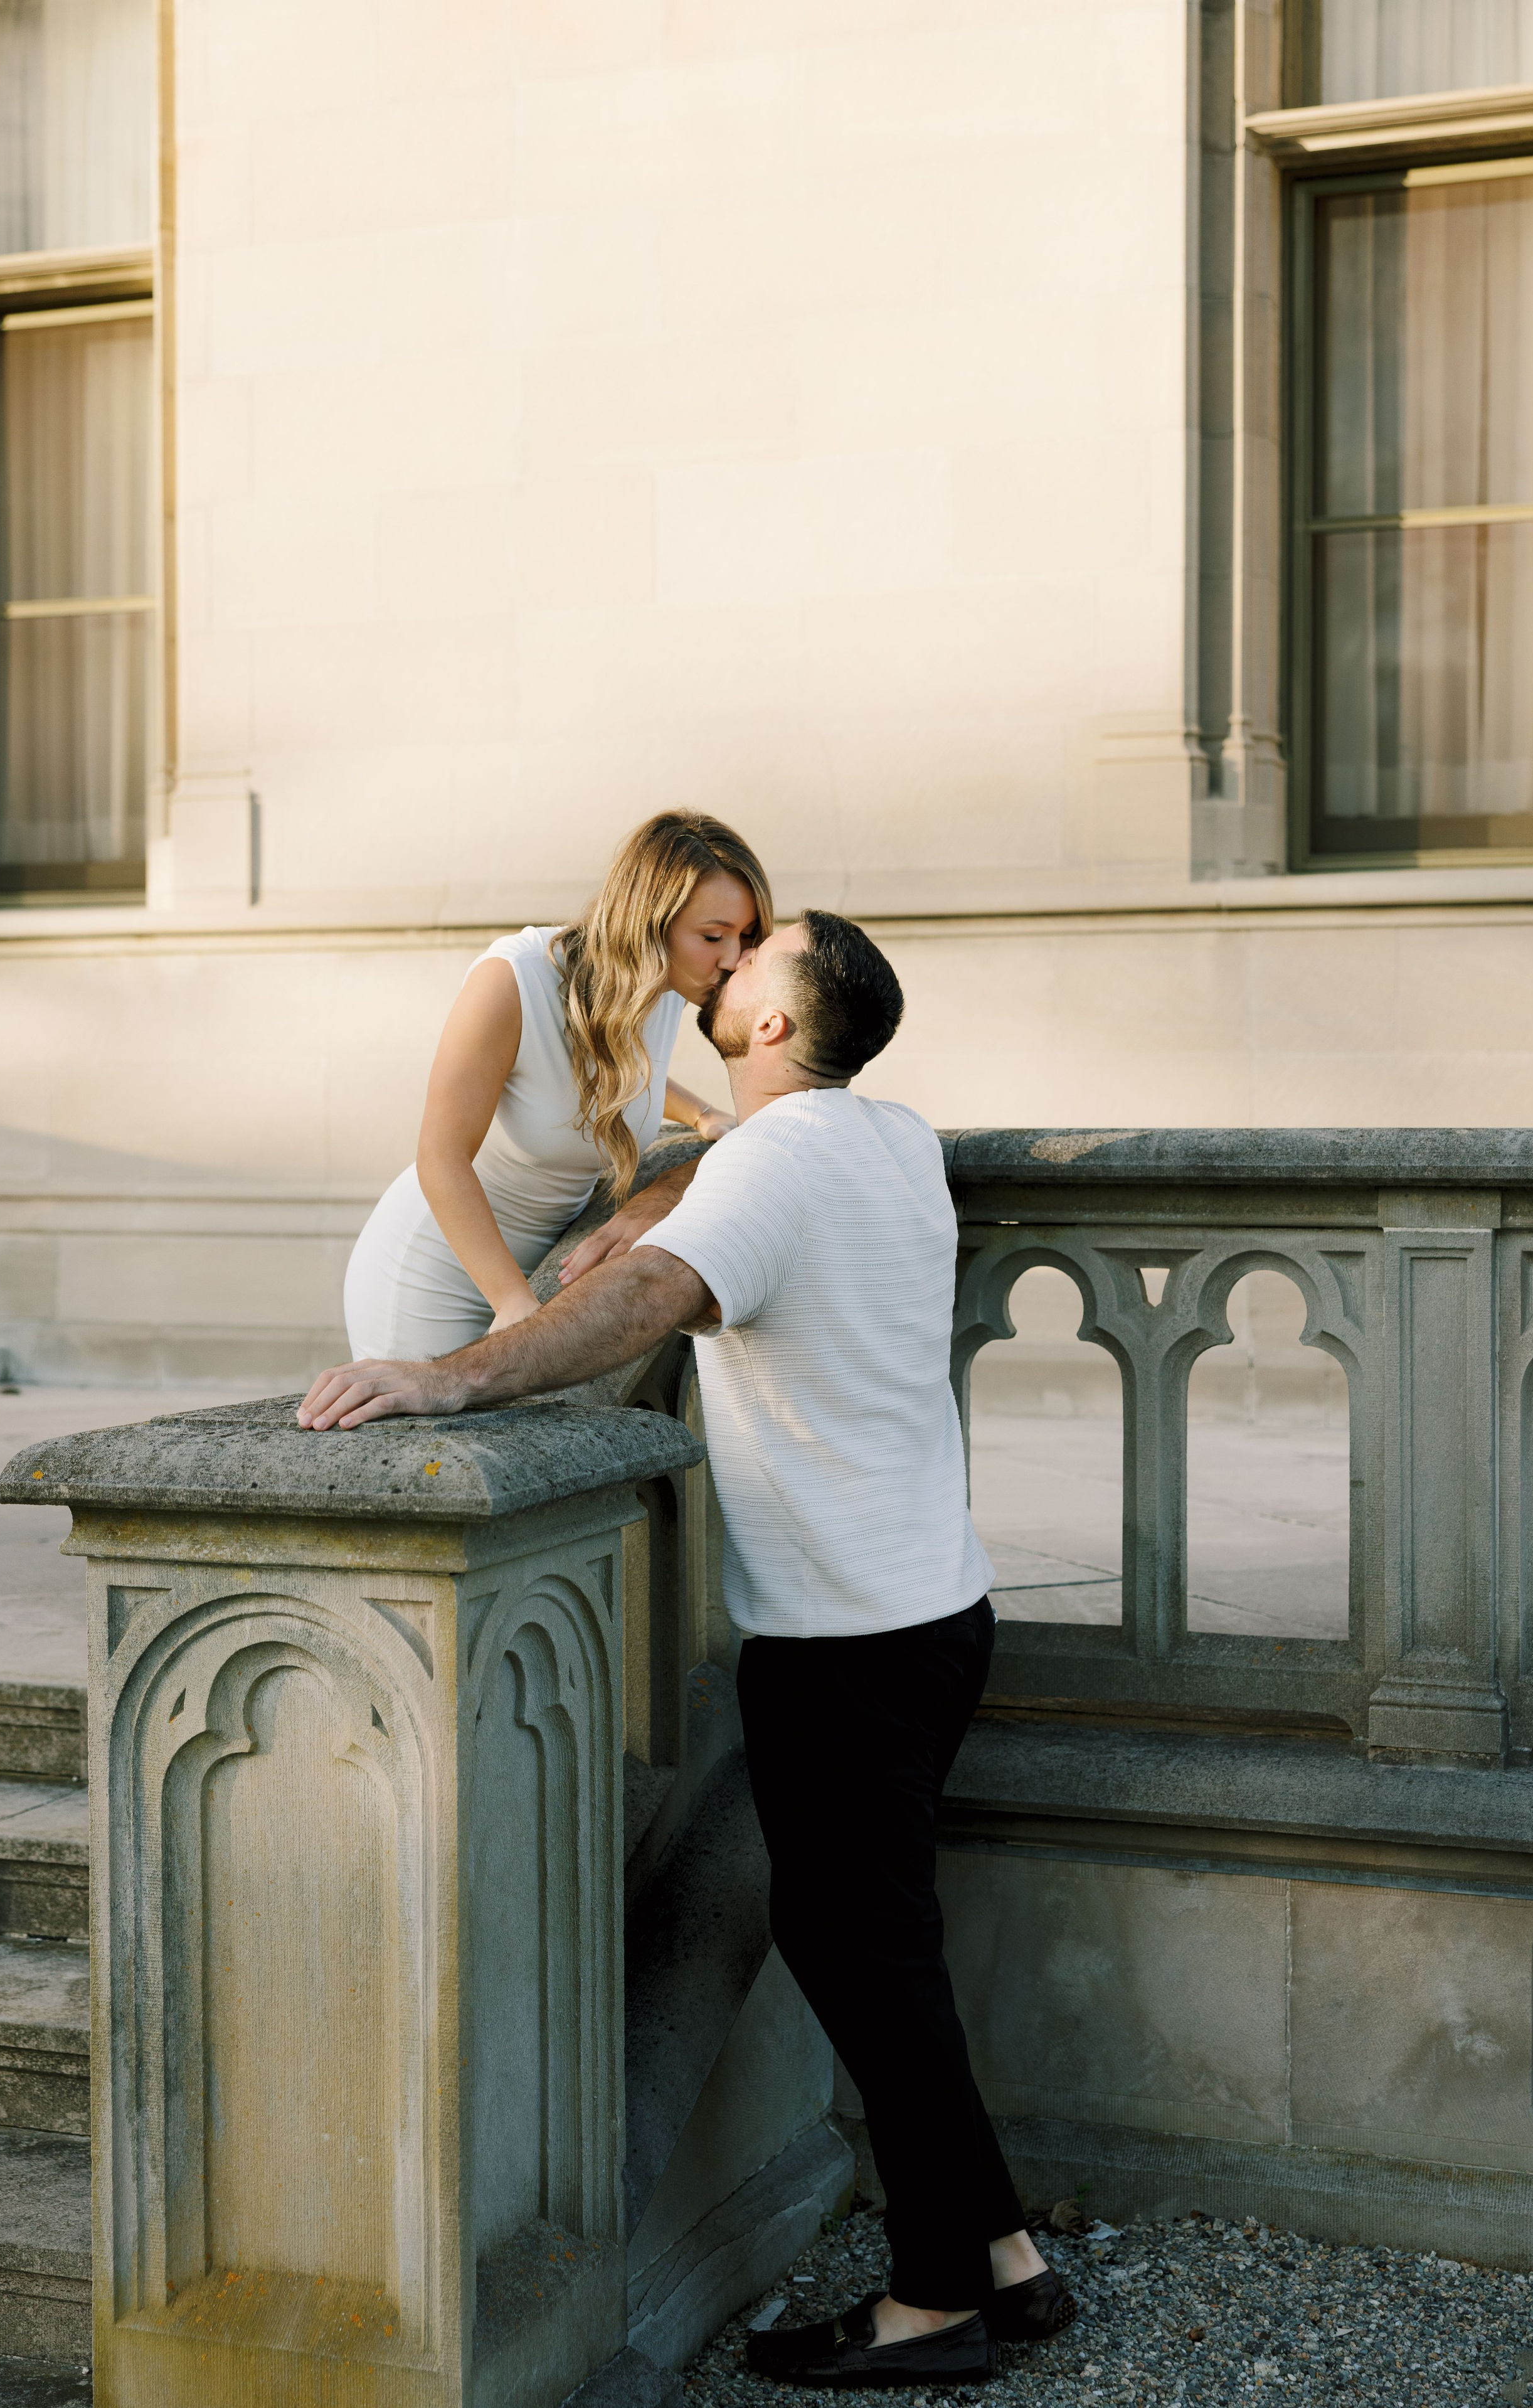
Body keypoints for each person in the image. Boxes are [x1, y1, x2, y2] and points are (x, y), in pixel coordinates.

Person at [299, 910, 1077, 2390]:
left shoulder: (774, 1166)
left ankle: (933, 2301)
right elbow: (710, 1177)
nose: (727, 964)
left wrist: (446, 1378)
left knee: (862, 1955)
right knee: (875, 1944)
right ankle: (1001, 2255)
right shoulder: (889, 1135)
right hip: (937, 1612)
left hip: (844, 1642)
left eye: (755, 954)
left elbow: (643, 1302)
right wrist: (653, 1197)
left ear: (773, 1025)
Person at [340, 810, 770, 1361]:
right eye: (713, 936)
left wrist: (703, 1114)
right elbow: (440, 1156)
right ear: (649, 923)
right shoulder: (514, 981)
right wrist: (514, 1304)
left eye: (747, 936)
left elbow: (614, 1073)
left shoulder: (666, 986)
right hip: (439, 1274)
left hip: (542, 1266)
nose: (733, 959)